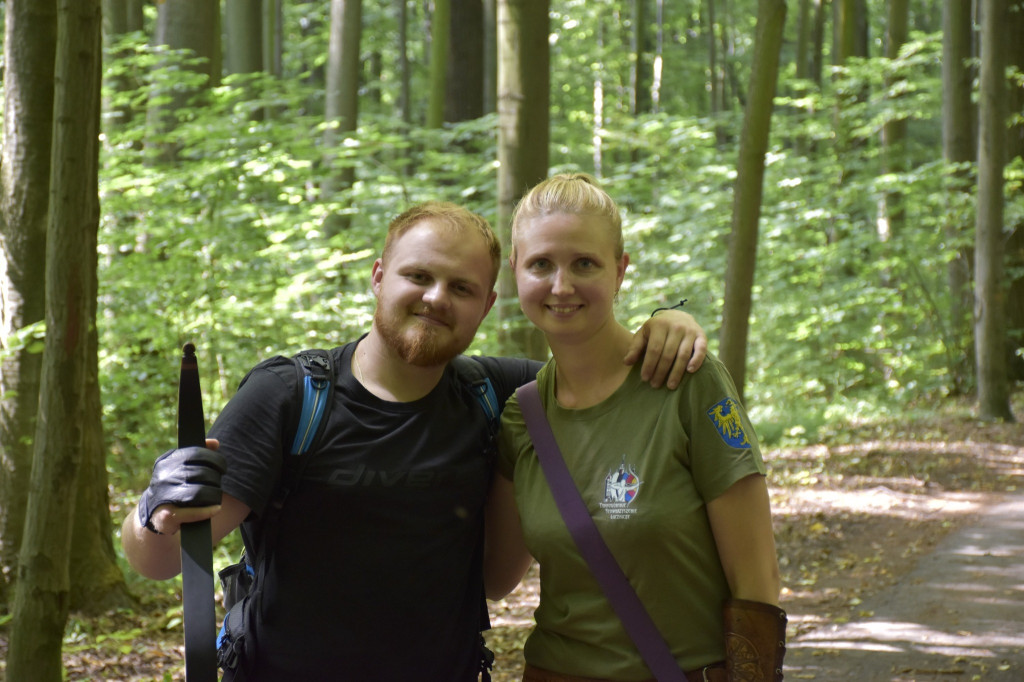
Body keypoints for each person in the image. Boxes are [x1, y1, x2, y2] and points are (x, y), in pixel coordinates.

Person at [121, 201, 710, 682]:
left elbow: (603, 365)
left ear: (486, 305)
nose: (435, 298)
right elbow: (163, 558)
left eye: (460, 287)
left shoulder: (503, 394)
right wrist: (153, 509)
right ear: (379, 276)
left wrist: (665, 321)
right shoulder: (289, 398)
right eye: (418, 276)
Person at [484, 174, 786, 682]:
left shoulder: (686, 381)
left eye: (585, 263)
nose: (561, 285)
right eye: (541, 264)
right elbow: (496, 577)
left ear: (620, 271)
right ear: (514, 271)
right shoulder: (521, 417)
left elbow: (757, 579)